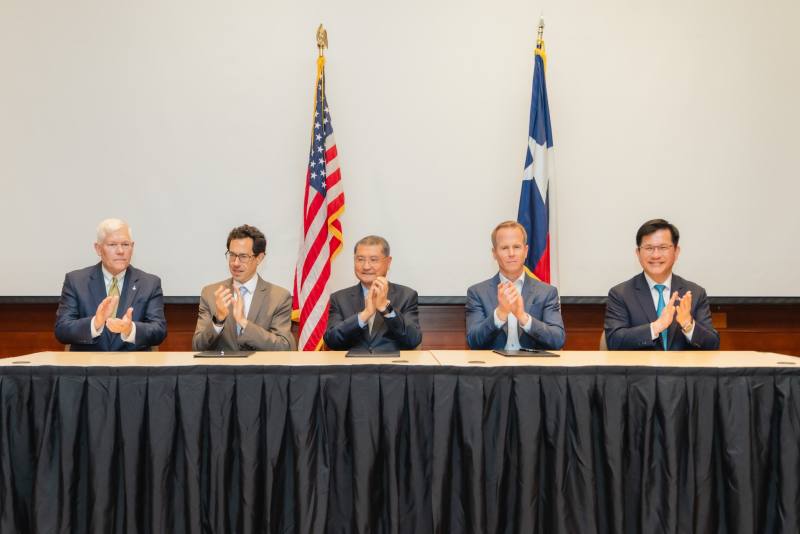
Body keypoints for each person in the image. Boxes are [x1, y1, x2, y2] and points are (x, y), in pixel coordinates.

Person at [604, 219, 720, 350]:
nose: (656, 255)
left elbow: (713, 345)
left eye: (663, 248)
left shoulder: (695, 293)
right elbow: (614, 341)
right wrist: (656, 327)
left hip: (681, 369)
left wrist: (688, 325)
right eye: (649, 248)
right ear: (638, 253)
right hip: (641, 369)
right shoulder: (620, 294)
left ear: (676, 252)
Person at [55, 218, 167, 351]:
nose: (120, 251)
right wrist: (94, 323)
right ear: (98, 248)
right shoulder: (76, 281)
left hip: (133, 367)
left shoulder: (149, 283)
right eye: (112, 244)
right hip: (89, 367)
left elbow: (159, 331)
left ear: (132, 247)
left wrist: (130, 329)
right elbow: (62, 330)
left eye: (125, 244)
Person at [192, 224, 295, 352]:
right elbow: (197, 346)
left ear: (259, 258)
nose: (235, 263)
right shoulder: (211, 293)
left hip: (259, 370)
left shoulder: (279, 297)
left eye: (243, 257)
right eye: (232, 255)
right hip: (222, 370)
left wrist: (244, 323)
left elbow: (284, 347)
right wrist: (218, 320)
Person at [466, 221, 565, 350]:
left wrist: (523, 317)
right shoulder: (477, 293)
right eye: (504, 248)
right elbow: (473, 340)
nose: (511, 253)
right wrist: (500, 314)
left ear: (525, 251)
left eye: (517, 247)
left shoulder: (547, 292)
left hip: (531, 367)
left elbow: (557, 339)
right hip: (494, 367)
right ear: (494, 253)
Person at [324, 235, 422, 352]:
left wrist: (385, 309)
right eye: (360, 259)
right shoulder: (339, 298)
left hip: (391, 367)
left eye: (373, 260)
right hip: (352, 367)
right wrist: (365, 315)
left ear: (388, 262)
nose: (366, 266)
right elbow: (331, 341)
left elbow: (413, 340)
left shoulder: (406, 296)